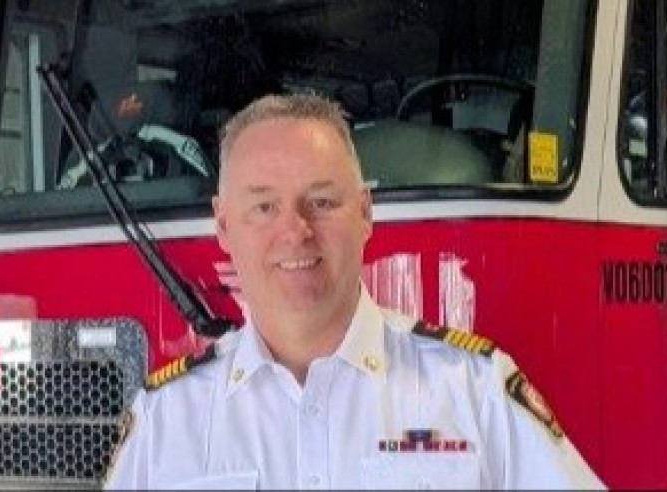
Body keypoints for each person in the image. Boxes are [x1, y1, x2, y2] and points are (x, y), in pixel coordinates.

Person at [104, 93, 605, 489]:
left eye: (321, 202)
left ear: (365, 213)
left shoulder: (474, 390)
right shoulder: (164, 420)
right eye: (263, 207)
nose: (295, 231)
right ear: (223, 224)